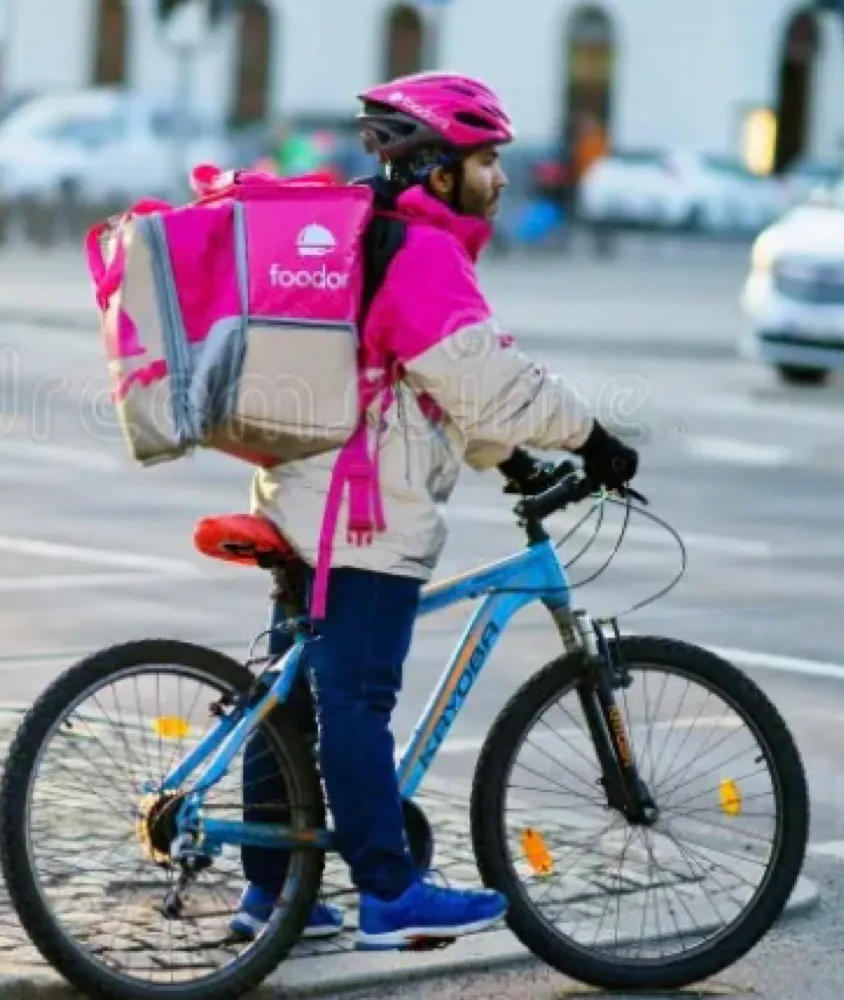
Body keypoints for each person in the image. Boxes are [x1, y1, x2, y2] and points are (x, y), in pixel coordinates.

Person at [231, 71, 640, 951]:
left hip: (309, 496)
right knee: (355, 701)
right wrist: (592, 437)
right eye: (487, 161)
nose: (502, 177)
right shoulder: (419, 252)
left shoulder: (373, 237)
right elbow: (485, 379)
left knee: (292, 698)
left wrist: (512, 461)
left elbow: (425, 386)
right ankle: (390, 894)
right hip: (361, 520)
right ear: (438, 170)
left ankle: (271, 892)